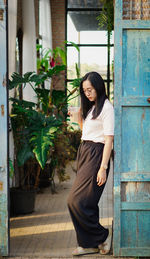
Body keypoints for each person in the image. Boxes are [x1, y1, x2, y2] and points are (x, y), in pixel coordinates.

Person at [67, 71, 114, 256]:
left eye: (90, 89)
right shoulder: (92, 107)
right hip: (85, 151)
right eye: (84, 90)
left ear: (99, 87)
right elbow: (86, 132)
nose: (87, 93)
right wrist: (79, 115)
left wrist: (103, 167)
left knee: (76, 201)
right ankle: (89, 244)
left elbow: (108, 140)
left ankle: (102, 236)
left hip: (97, 155)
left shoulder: (107, 108)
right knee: (88, 202)